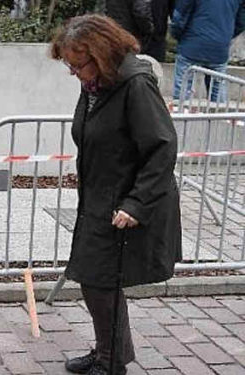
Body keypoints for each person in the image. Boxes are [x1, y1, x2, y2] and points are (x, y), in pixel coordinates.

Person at [50, 15, 182, 375]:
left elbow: (161, 148)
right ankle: (109, 354)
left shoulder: (135, 85)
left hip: (125, 202)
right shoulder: (97, 84)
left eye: (79, 65)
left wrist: (137, 203)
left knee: (100, 281)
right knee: (96, 281)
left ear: (101, 54)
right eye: (71, 67)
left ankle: (111, 363)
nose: (75, 73)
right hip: (100, 196)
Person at [170, 0, 245, 103]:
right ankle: (219, 117)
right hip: (219, 47)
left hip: (191, 44)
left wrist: (177, 35)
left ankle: (181, 114)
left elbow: (180, 16)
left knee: (182, 95)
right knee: (218, 92)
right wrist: (226, 36)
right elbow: (241, 21)